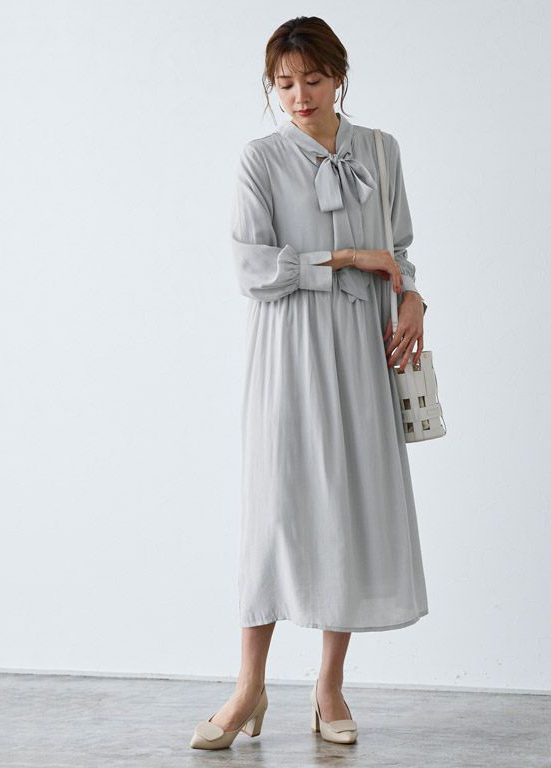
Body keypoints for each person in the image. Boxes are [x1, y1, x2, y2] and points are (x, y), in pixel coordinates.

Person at [190, 15, 429, 750]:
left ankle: (328, 687)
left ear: (339, 77)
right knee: (274, 511)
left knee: (344, 508)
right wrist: (347, 257)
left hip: (362, 346)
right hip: (288, 349)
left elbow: (399, 254)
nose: (299, 96)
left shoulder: (380, 151)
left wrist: (413, 298)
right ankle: (249, 687)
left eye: (313, 80)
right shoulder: (260, 160)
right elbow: (252, 269)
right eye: (285, 83)